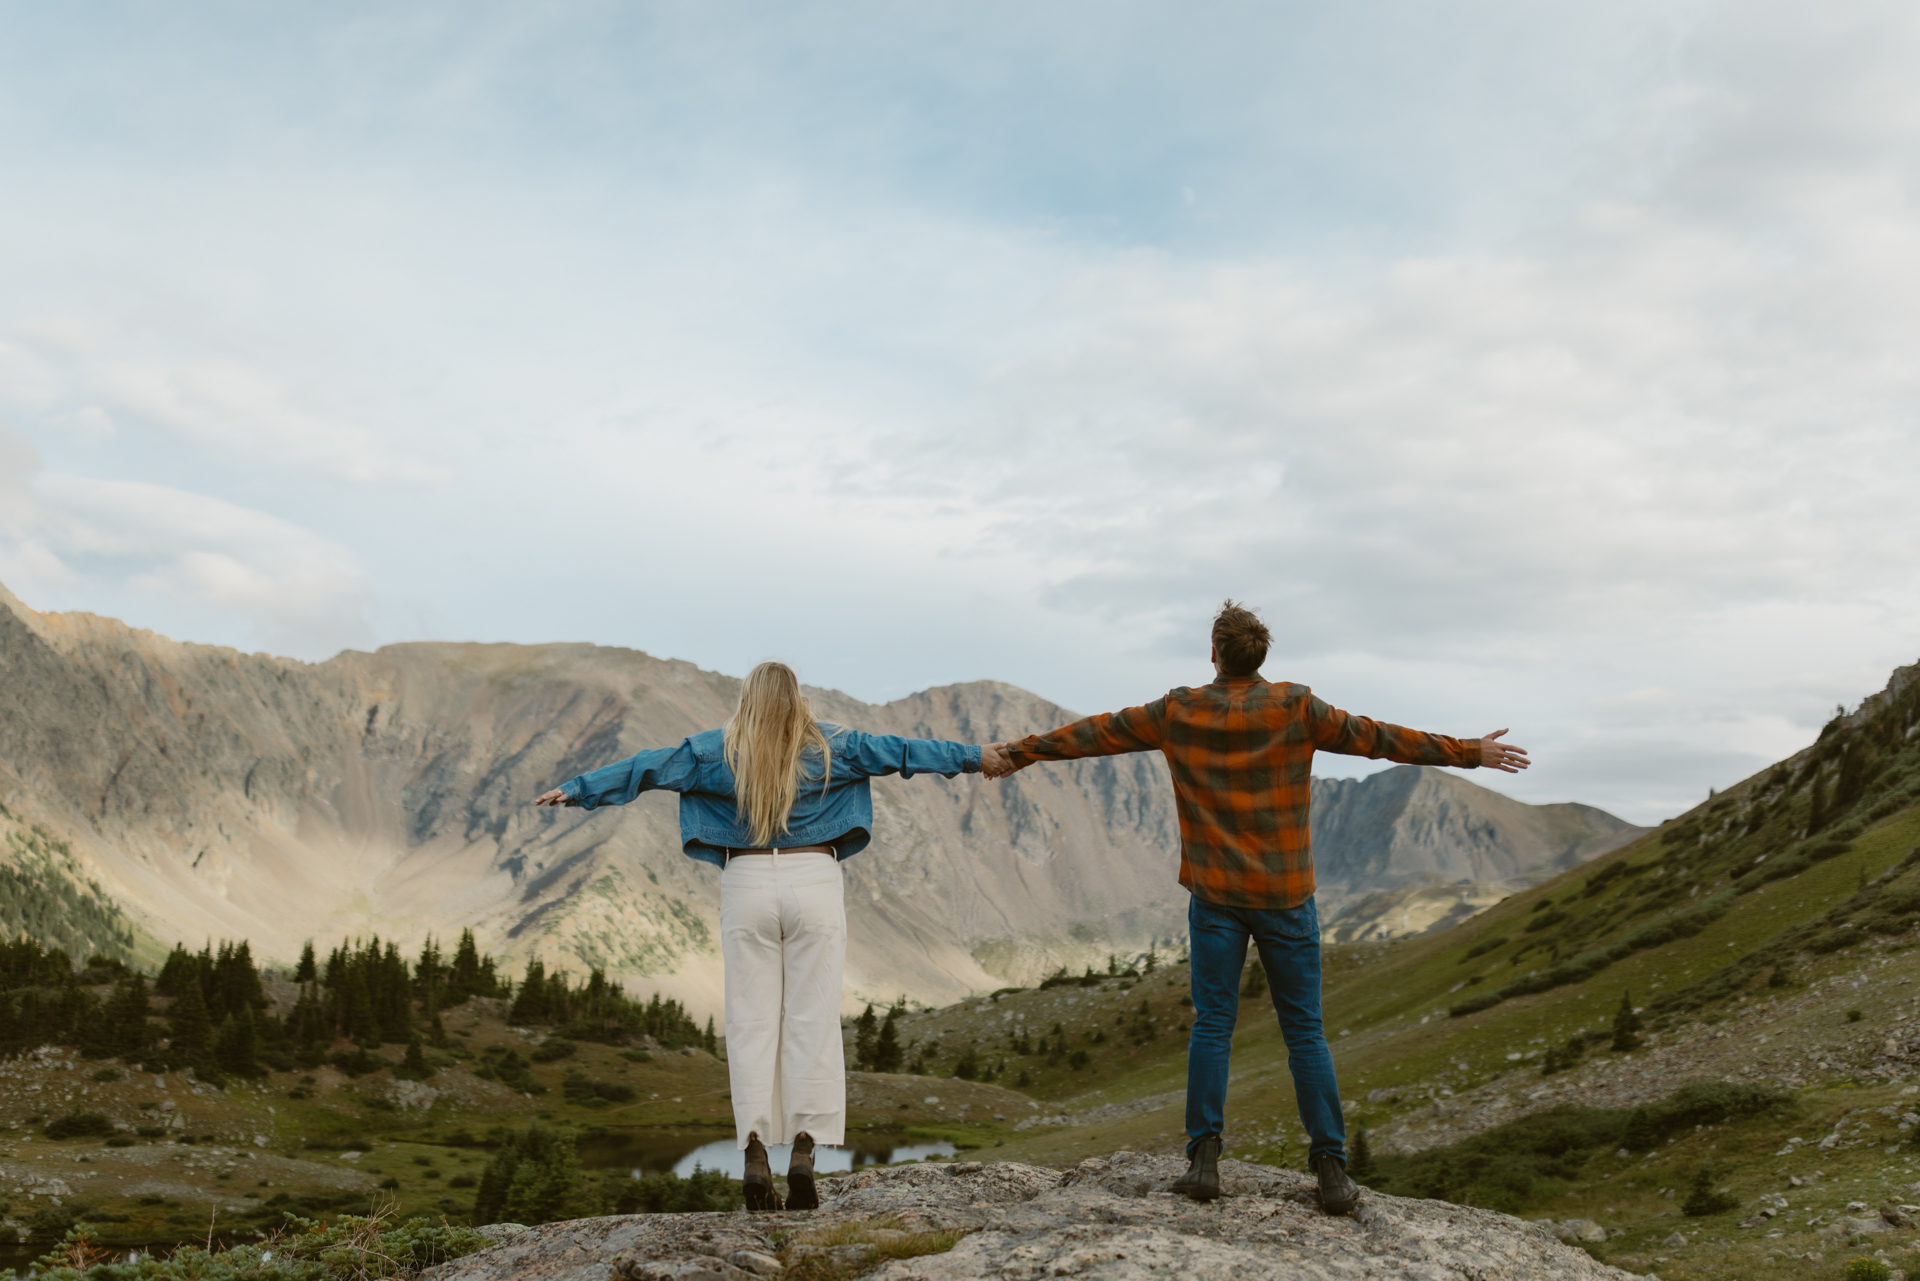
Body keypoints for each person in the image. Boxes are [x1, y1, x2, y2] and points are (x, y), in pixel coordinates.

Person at [987, 601, 1528, 1213]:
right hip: (1286, 897)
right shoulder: (1297, 706)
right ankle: (1330, 1172)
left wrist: (1023, 750)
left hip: (1216, 897)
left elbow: (1096, 733)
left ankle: (1204, 1162)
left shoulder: (1177, 711)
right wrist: (1468, 751)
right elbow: (1381, 739)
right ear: (1261, 656)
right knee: (1305, 1033)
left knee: (1212, 1025)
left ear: (1214, 654)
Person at [534, 661, 1008, 1211]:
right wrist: (978, 757)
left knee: (751, 1021)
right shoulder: (837, 744)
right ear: (797, 698)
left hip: (747, 883)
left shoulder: (713, 749)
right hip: (815, 881)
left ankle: (755, 1154)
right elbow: (904, 753)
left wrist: (577, 789)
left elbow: (647, 766)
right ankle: (804, 1151)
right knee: (812, 1017)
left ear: (747, 699)